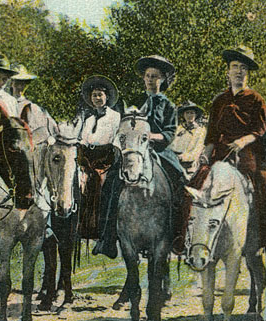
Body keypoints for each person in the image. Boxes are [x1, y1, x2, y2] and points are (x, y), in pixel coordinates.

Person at [173, 45, 266, 257]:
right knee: (193, 187)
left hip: (248, 153)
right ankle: (183, 238)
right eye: (234, 67)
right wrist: (205, 153)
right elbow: (212, 133)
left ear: (247, 72)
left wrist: (243, 141)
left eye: (243, 68)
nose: (238, 71)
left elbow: (260, 129)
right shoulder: (219, 100)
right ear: (228, 71)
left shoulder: (256, 99)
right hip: (220, 154)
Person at [95, 55, 183, 259]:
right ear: (143, 79)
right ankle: (107, 238)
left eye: (156, 77)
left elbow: (169, 132)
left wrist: (152, 136)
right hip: (134, 149)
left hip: (158, 150)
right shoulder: (133, 101)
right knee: (110, 181)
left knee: (179, 177)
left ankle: (178, 235)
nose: (151, 80)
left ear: (163, 80)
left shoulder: (168, 105)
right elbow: (123, 124)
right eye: (148, 76)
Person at [76, 76, 120, 240]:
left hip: (106, 158)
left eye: (100, 95)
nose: (97, 98)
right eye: (94, 95)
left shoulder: (115, 117)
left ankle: (102, 230)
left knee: (101, 184)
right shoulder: (89, 119)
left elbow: (116, 139)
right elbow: (84, 140)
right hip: (89, 158)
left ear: (106, 97)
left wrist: (107, 160)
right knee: (81, 184)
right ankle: (84, 228)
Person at [9, 64, 58, 140]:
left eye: (23, 83)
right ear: (11, 83)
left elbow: (51, 128)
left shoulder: (33, 107)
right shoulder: (5, 102)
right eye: (17, 83)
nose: (20, 87)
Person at [169, 101, 207, 179]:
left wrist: (182, 157)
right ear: (183, 115)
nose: (189, 115)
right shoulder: (179, 128)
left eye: (192, 113)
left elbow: (197, 150)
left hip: (189, 166)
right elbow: (171, 144)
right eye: (187, 113)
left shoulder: (200, 131)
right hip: (173, 161)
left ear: (195, 115)